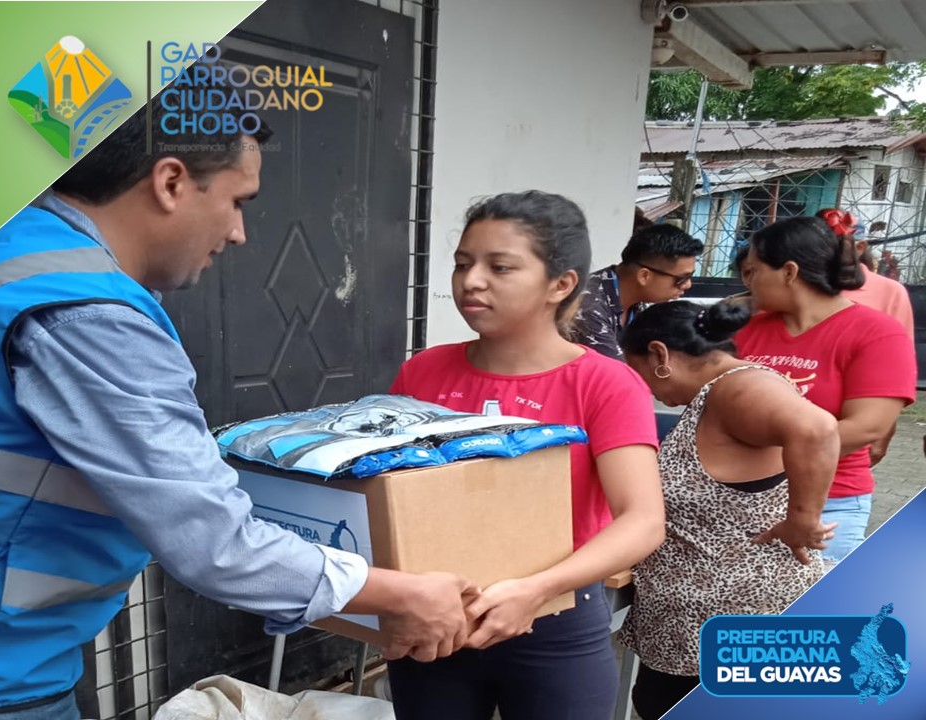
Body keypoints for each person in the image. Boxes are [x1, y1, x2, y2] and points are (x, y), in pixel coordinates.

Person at [0, 95, 474, 718]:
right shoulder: (86, 313)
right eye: (238, 201)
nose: (238, 232)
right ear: (171, 181)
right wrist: (399, 595)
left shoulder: (1, 247)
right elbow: (213, 541)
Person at [385, 191, 666, 719]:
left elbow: (643, 521)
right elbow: (391, 491)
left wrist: (536, 590)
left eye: (500, 267)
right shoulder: (423, 372)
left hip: (556, 619)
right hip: (439, 620)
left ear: (560, 284)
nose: (471, 280)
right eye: (463, 263)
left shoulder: (605, 383)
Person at [617, 300, 839, 720]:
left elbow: (818, 428)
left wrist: (802, 519)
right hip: (696, 625)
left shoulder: (736, 389)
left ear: (659, 355)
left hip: (733, 619)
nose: (646, 388)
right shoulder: (718, 395)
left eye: (638, 370)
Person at [735, 217, 917, 570]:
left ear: (789, 272)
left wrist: (760, 456)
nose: (748, 283)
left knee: (812, 603)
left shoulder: (876, 333)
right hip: (743, 498)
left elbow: (867, 427)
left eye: (753, 271)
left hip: (829, 504)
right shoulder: (747, 330)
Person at [817, 209, 916, 467]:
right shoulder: (804, 285)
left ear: (859, 247)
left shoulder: (889, 291)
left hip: (858, 411)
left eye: (834, 247)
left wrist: (884, 427)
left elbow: (897, 366)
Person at [572, 222, 703, 360]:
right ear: (644, 276)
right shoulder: (588, 307)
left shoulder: (640, 299)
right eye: (681, 278)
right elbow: (618, 371)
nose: (688, 285)